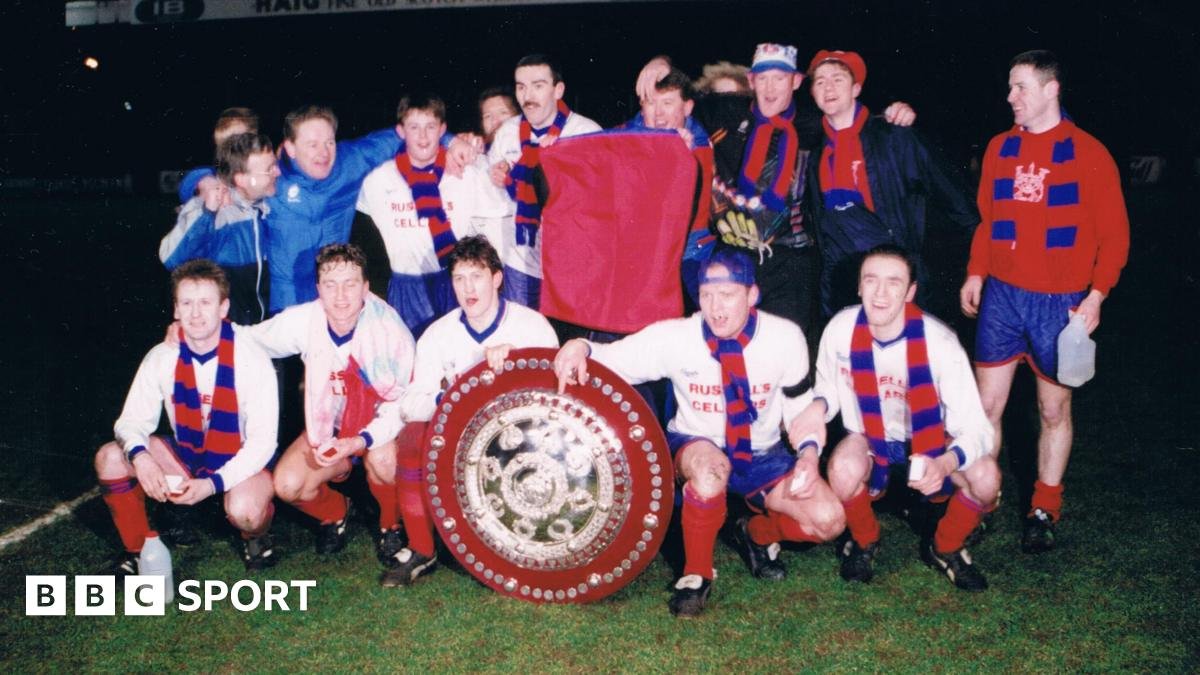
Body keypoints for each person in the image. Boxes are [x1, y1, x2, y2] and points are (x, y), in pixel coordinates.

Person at [553, 249, 845, 618]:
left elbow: (799, 407)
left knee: (829, 519)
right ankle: (696, 574)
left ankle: (755, 534)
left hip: (762, 453)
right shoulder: (677, 336)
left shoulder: (785, 337)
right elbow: (612, 358)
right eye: (707, 295)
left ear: (752, 295)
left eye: (727, 295)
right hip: (696, 444)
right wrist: (581, 345)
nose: (716, 308)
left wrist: (807, 454)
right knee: (710, 472)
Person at [959, 50, 1129, 553]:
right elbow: (989, 221)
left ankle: (1043, 506)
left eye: (1021, 88)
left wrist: (1096, 296)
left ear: (1052, 90)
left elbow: (1115, 237)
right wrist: (975, 271)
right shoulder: (998, 148)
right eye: (1010, 88)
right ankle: (982, 502)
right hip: (1003, 298)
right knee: (986, 405)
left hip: (1060, 304)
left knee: (1052, 408)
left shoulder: (1088, 152)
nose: (1010, 98)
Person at [637, 44, 916, 339]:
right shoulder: (724, 111)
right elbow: (673, 101)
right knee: (726, 343)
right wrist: (661, 60)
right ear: (751, 82)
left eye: (780, 79)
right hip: (732, 255)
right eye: (763, 78)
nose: (770, 89)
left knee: (786, 346)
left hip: (791, 262)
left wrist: (895, 111)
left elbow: (855, 120)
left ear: (795, 82)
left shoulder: (813, 123)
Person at [793, 246, 999, 590]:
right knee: (842, 469)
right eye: (871, 281)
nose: (880, 293)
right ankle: (865, 540)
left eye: (893, 282)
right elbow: (828, 389)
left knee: (987, 479)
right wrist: (818, 407)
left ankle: (945, 547)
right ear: (859, 287)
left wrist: (945, 465)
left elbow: (977, 429)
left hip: (932, 441)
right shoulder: (841, 328)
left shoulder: (940, 343)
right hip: (870, 439)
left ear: (910, 291)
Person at [385, 235, 559, 587]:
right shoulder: (438, 334)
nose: (469, 288)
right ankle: (422, 548)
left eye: (477, 276)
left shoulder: (532, 326)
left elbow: (556, 400)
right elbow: (411, 404)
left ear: (496, 278)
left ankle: (529, 542)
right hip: (460, 437)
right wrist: (451, 396)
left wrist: (518, 367)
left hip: (520, 439)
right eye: (459, 279)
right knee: (411, 440)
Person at [95, 260, 278, 573]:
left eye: (205, 303)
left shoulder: (251, 357)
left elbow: (262, 444)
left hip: (241, 460)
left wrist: (211, 485)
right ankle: (138, 551)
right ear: (176, 310)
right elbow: (130, 422)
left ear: (224, 308)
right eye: (187, 303)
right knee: (110, 457)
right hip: (189, 455)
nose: (195, 314)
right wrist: (141, 457)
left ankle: (254, 538)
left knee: (245, 510)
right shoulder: (162, 356)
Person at [245, 244, 415, 574]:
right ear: (318, 288)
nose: (340, 296)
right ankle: (336, 512)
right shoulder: (306, 319)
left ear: (366, 287)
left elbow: (400, 407)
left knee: (384, 461)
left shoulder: (390, 332)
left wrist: (360, 440)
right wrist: (199, 331)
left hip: (379, 427)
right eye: (330, 284)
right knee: (288, 484)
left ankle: (389, 526)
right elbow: (251, 339)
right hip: (332, 427)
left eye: (350, 284)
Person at [805, 50, 978, 318]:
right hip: (844, 284)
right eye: (820, 82)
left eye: (838, 79)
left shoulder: (894, 137)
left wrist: (978, 266)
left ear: (856, 88)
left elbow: (954, 198)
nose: (828, 88)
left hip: (895, 277)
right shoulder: (816, 155)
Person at [267, 105, 478, 315]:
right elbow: (239, 179)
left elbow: (402, 134)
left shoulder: (349, 162)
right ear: (290, 148)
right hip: (288, 302)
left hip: (336, 298)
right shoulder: (270, 182)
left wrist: (451, 142)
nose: (324, 153)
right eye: (312, 145)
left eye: (329, 142)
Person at [354, 94, 513, 338]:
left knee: (460, 357)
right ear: (401, 131)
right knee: (412, 360)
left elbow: (506, 200)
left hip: (455, 282)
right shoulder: (378, 179)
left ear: (442, 130)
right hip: (407, 286)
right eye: (414, 127)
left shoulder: (466, 172)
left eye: (430, 127)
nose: (423, 136)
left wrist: (502, 168)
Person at [487, 54, 602, 308]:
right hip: (521, 263)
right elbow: (494, 195)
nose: (528, 95)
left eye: (538, 86)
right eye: (521, 87)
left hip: (569, 264)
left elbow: (601, 201)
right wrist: (498, 177)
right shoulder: (507, 133)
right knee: (524, 340)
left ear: (558, 90)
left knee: (565, 341)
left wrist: (557, 166)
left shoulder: (585, 134)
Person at [161, 131, 279, 324]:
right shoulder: (215, 210)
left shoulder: (271, 204)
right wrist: (206, 213)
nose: (278, 172)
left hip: (269, 328)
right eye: (270, 168)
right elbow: (170, 258)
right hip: (227, 333)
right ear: (241, 179)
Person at [177, 106, 260, 204]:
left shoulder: (269, 174)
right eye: (225, 144)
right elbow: (187, 187)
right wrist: (203, 180)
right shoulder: (216, 177)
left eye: (241, 140)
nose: (232, 149)